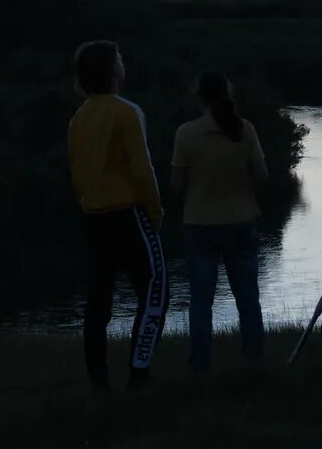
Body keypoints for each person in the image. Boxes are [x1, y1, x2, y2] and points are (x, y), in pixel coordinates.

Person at [68, 41, 168, 389]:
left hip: (94, 217)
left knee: (98, 302)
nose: (124, 63)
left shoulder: (79, 116)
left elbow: (77, 172)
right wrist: (154, 212)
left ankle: (98, 378)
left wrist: (87, 202)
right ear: (113, 69)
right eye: (120, 59)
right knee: (155, 292)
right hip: (129, 215)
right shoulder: (127, 112)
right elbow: (142, 169)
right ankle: (139, 371)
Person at [171, 71, 268, 372]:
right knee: (248, 299)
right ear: (227, 94)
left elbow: (176, 186)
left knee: (201, 302)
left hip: (199, 225)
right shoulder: (246, 130)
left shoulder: (186, 133)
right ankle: (253, 360)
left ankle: (200, 364)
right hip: (241, 222)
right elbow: (263, 178)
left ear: (198, 96)